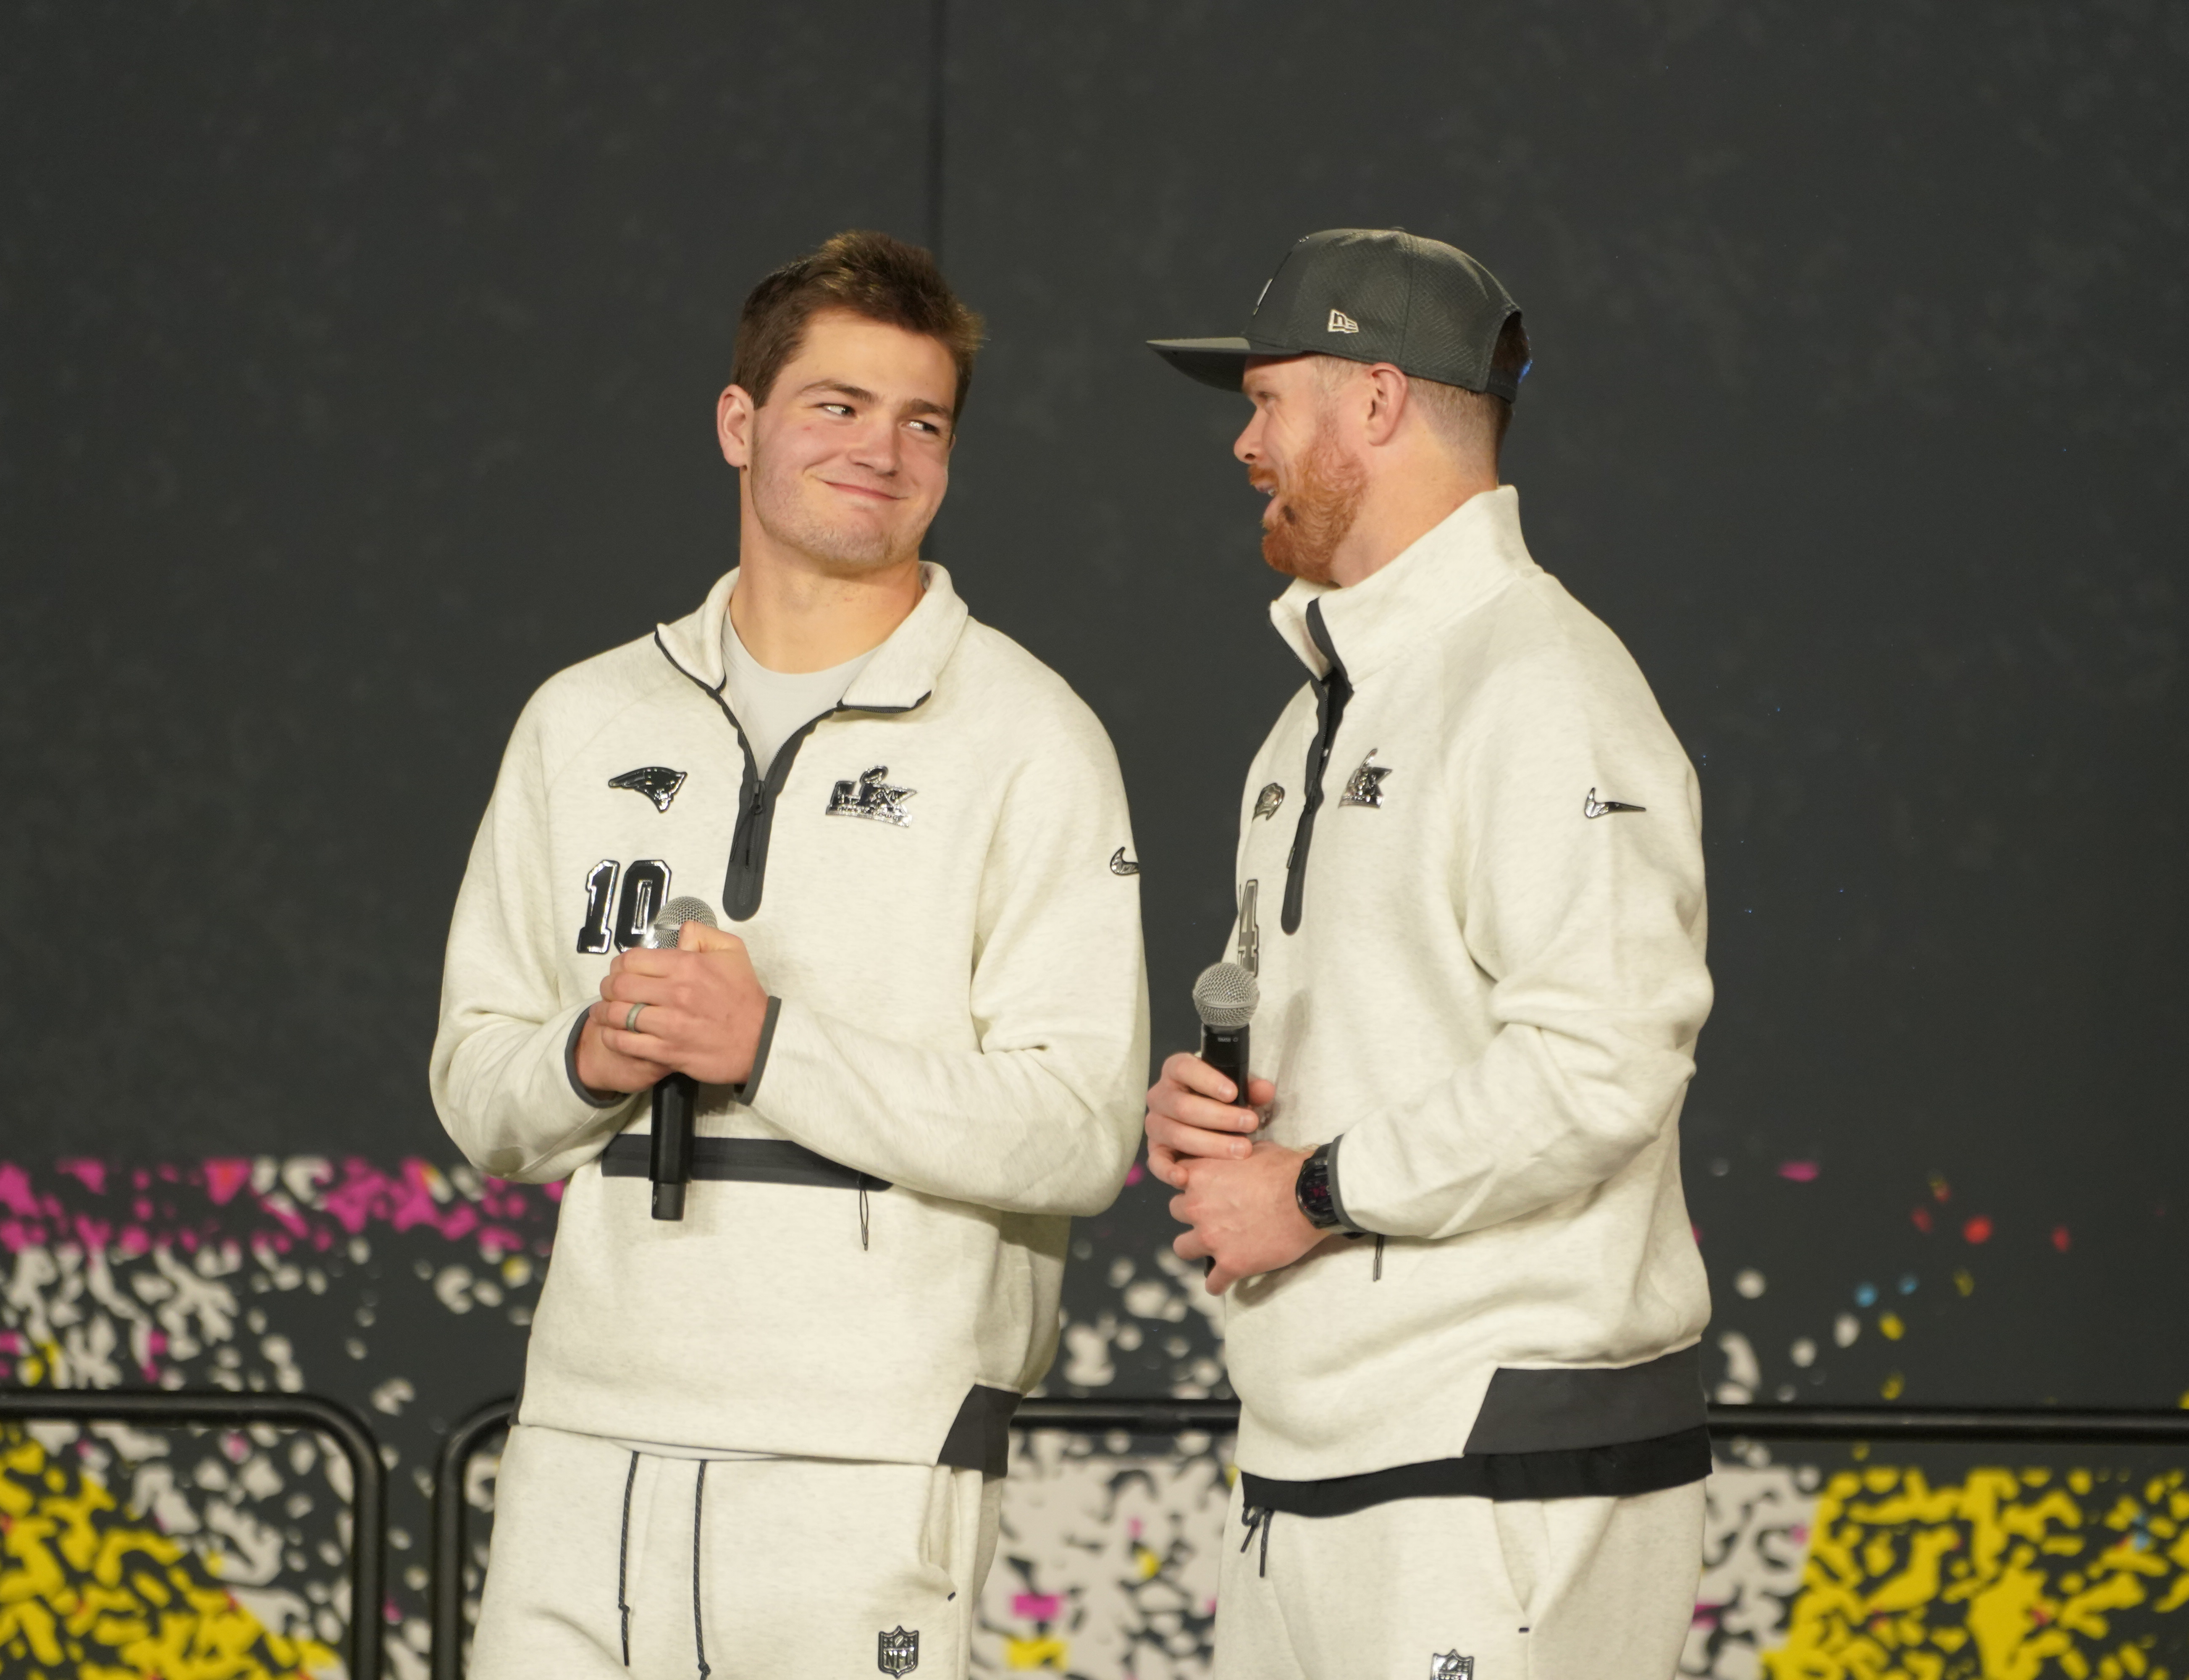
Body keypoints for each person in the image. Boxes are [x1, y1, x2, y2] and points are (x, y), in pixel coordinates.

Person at [432, 230, 1149, 1677]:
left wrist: (769, 1046)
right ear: (739, 422)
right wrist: (590, 1051)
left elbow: (1081, 1133)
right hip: (584, 1438)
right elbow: (475, 1088)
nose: (881, 449)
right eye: (837, 405)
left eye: (923, 420)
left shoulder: (1030, 736)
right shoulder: (582, 719)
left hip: (869, 1459)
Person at [1142, 228, 1715, 1679]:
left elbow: (1600, 1066)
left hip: (1491, 1463)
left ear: (1380, 403)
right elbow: (1338, 1036)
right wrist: (1211, 1112)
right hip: (1313, 1450)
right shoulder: (1316, 711)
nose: (1244, 444)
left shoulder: (1546, 687)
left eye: (1268, 400)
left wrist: (1314, 1193)